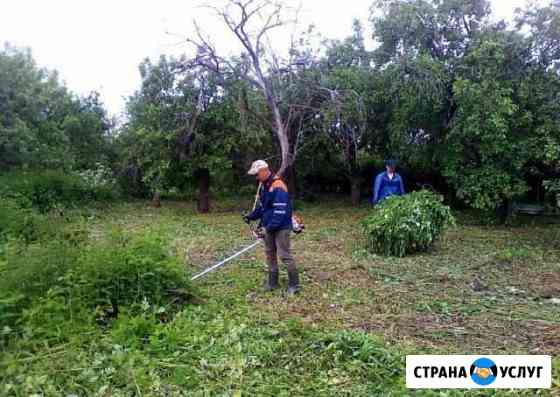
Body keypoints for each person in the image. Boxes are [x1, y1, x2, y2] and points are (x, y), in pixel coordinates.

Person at [243, 160, 300, 295]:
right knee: (270, 254)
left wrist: (269, 227)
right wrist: (250, 216)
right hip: (269, 226)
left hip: (281, 227)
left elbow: (280, 211)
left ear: (264, 170)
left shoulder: (277, 185)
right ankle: (273, 283)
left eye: (257, 174)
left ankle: (294, 285)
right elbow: (263, 207)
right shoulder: (264, 186)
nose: (256, 177)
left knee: (284, 255)